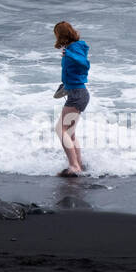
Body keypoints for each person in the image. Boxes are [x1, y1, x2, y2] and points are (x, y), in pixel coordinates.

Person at [52, 21, 90, 177]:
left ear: (61, 34)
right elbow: (73, 71)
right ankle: (78, 164)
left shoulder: (74, 49)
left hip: (77, 94)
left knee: (60, 130)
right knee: (70, 132)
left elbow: (84, 64)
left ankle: (74, 166)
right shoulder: (73, 48)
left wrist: (69, 54)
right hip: (76, 92)